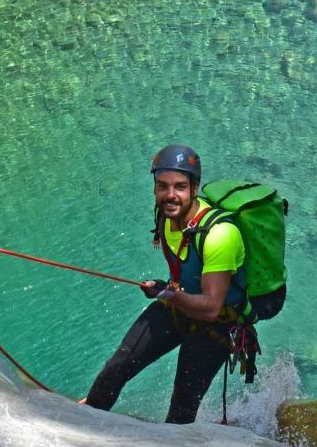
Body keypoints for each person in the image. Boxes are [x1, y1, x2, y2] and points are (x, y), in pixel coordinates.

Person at [83, 144, 247, 424]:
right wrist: (167, 292)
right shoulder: (166, 214)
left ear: (195, 188)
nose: (170, 195)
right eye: (163, 186)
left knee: (180, 412)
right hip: (179, 304)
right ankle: (78, 426)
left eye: (180, 187)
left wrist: (168, 295)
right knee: (115, 369)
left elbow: (211, 307)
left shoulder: (220, 235)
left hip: (216, 326)